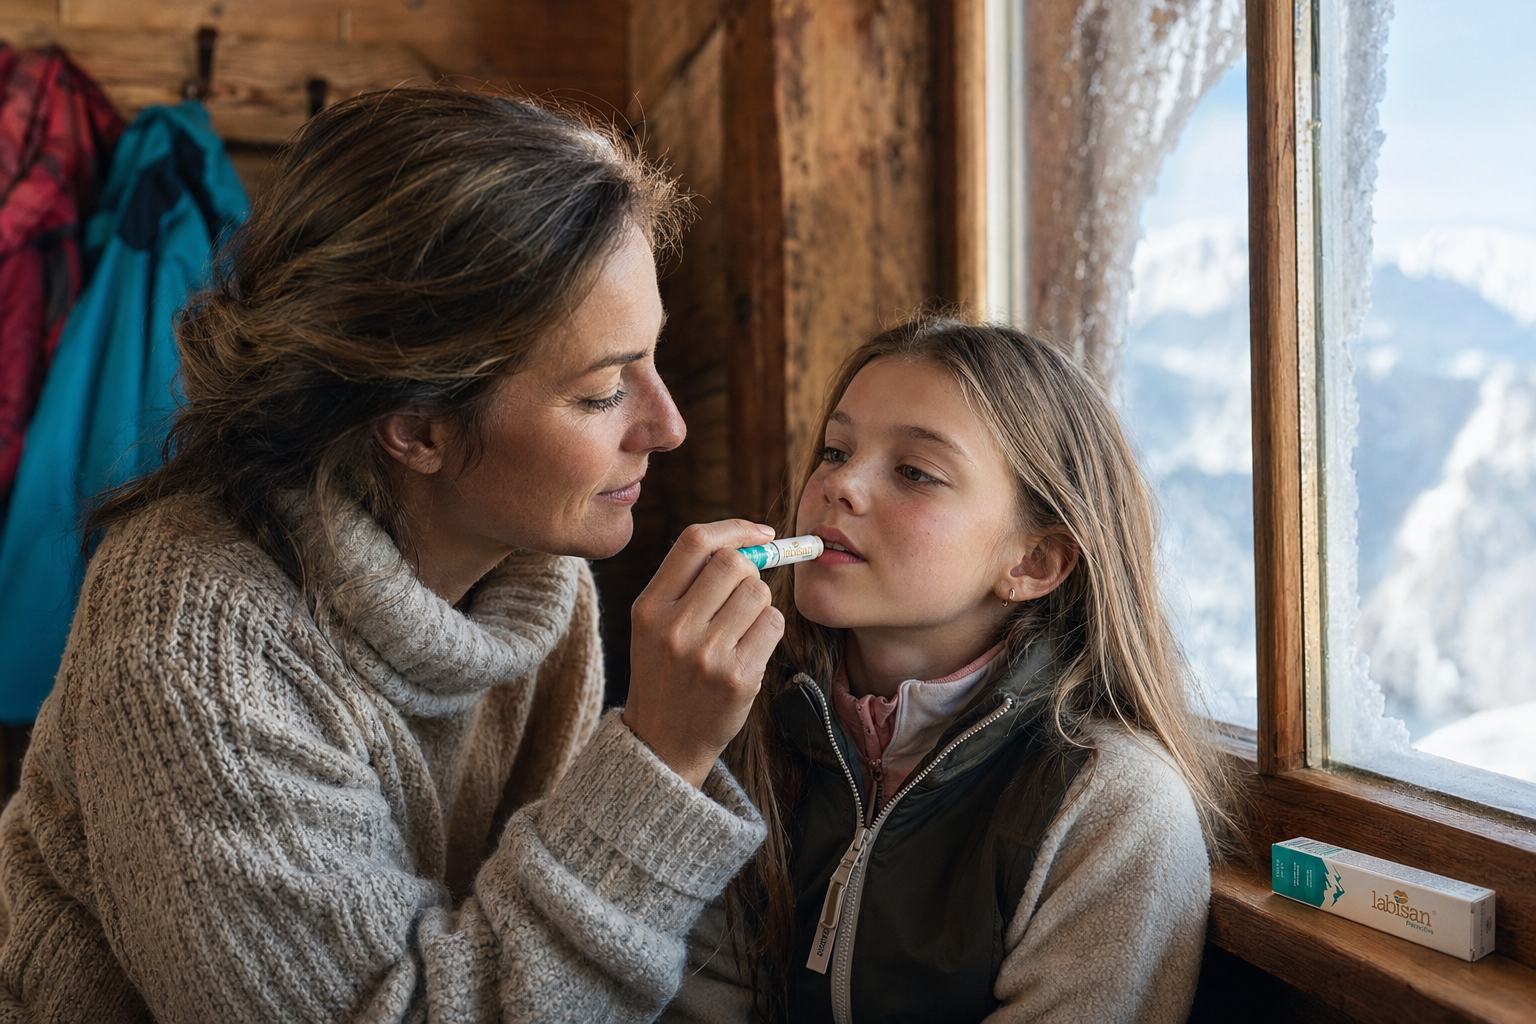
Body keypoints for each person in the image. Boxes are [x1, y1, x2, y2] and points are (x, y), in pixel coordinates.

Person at [0, 89, 785, 1023]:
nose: (669, 425)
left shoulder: (539, 578)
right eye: (602, 391)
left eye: (652, 359)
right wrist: (658, 763)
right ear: (416, 428)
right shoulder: (192, 642)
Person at [666, 316, 1240, 1024]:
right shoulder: (733, 730)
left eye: (914, 471)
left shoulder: (1115, 809)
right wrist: (660, 754)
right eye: (835, 449)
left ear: (1032, 563)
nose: (840, 483)